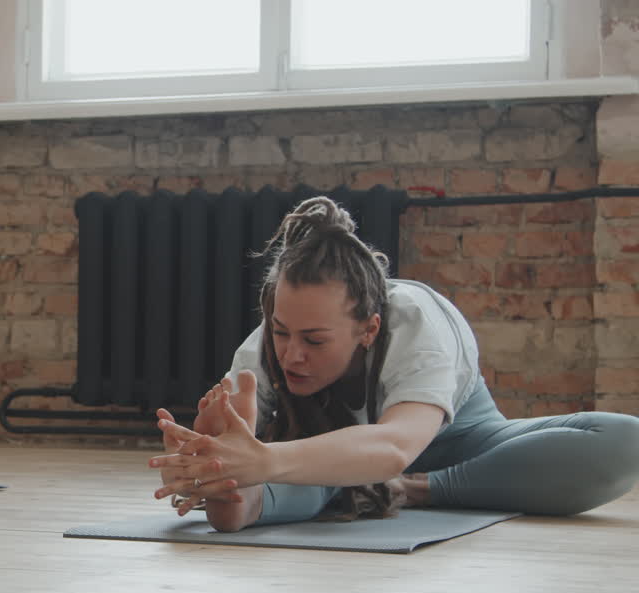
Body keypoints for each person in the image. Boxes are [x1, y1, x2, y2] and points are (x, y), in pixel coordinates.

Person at [149, 196, 639, 532]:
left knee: (624, 441)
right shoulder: (260, 355)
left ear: (369, 328)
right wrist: (219, 466)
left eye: (315, 340)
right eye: (281, 332)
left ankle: (413, 490)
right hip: (326, 459)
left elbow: (396, 444)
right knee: (267, 477)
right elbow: (251, 462)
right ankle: (286, 490)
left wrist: (268, 459)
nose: (292, 353)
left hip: (458, 446)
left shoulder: (416, 321)